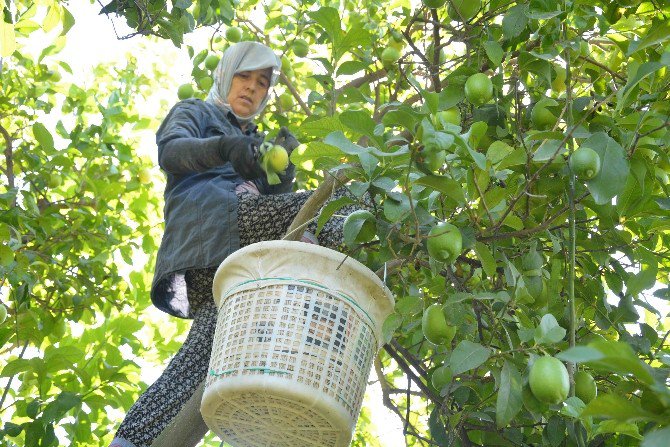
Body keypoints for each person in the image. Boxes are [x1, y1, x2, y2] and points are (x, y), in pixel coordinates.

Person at [109, 41, 360, 447]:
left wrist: (282, 172)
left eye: (262, 83)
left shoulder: (255, 142)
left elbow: (278, 205)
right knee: (343, 202)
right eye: (244, 76)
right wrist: (226, 147)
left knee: (195, 369)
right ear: (226, 75)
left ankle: (131, 442)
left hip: (235, 268)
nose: (251, 88)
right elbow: (172, 152)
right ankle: (341, 279)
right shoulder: (195, 111)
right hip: (214, 227)